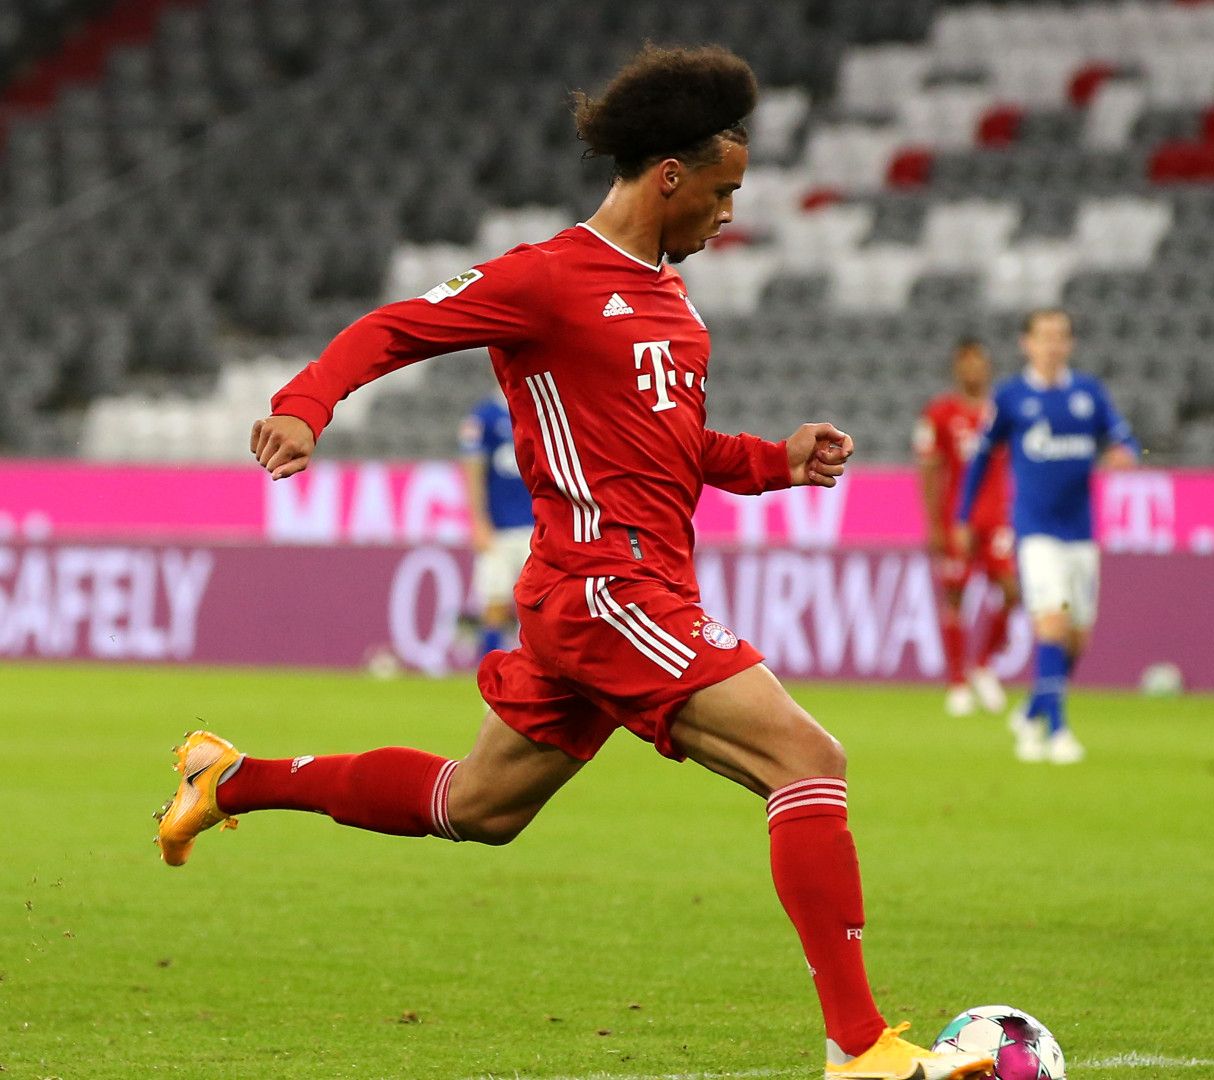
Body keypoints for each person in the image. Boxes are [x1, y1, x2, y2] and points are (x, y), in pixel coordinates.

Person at [151, 45, 991, 1080]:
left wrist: (774, 461)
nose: (731, 214)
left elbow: (673, 455)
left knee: (476, 807)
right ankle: (858, 1047)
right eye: (723, 192)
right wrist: (304, 404)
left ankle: (231, 778)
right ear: (669, 178)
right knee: (807, 760)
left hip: (626, 589)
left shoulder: (678, 310)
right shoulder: (545, 278)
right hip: (602, 588)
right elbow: (397, 326)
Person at [957, 309, 1137, 764]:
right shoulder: (1013, 398)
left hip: (1081, 533)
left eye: (1060, 337)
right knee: (1051, 623)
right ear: (1027, 343)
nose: (1052, 345)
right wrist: (963, 517)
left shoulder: (1088, 394)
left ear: (1070, 344)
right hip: (1035, 531)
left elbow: (1124, 438)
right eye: (1044, 337)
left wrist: (1122, 453)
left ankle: (1035, 707)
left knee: (1076, 641)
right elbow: (981, 458)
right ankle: (1056, 734)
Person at [915, 338, 1019, 718]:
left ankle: (983, 664)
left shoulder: (1004, 411)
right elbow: (928, 470)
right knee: (955, 596)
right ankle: (957, 682)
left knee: (1010, 592)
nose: (972, 370)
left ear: (988, 366)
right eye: (965, 363)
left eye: (978, 362)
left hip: (996, 519)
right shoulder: (939, 414)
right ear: (957, 369)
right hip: (955, 518)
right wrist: (934, 525)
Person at [462, 389, 536, 656]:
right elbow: (473, 469)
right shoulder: (485, 417)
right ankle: (489, 679)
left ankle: (539, 682)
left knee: (539, 608)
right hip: (499, 530)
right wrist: (478, 522)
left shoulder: (537, 407)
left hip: (538, 528)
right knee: (495, 603)